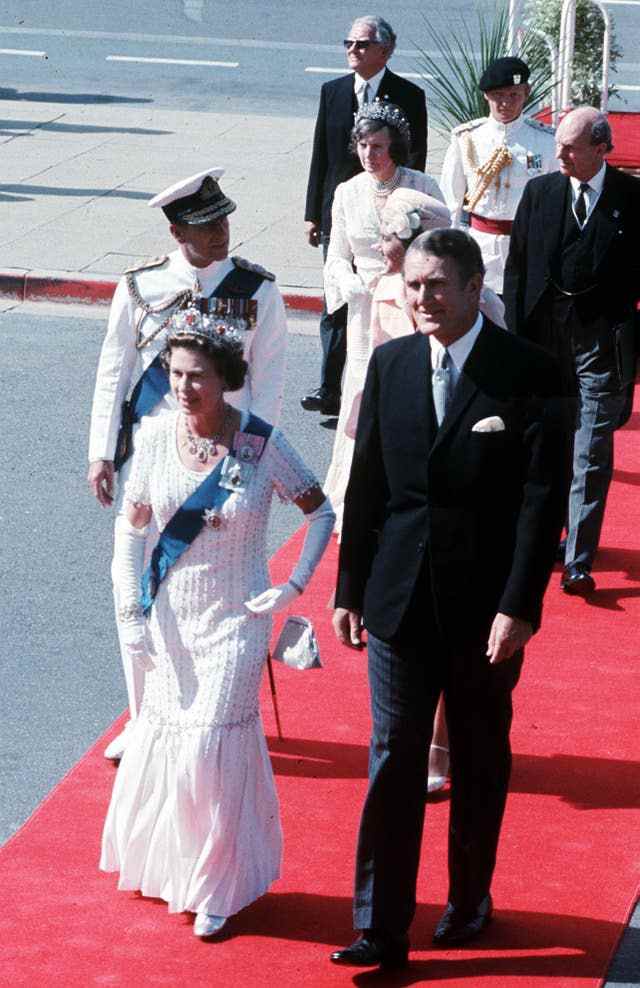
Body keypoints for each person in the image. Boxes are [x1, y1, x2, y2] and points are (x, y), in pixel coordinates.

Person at [330, 229, 567, 969]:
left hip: (484, 612)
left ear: (473, 288)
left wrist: (519, 604)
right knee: (394, 758)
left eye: (437, 285)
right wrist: (349, 588)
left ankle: (468, 902)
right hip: (398, 600)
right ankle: (380, 926)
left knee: (476, 757)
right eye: (412, 285)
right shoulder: (391, 363)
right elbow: (366, 483)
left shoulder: (528, 373)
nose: (422, 299)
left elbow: (541, 499)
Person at [100, 306, 334, 937]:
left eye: (197, 375)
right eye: (175, 374)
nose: (183, 388)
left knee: (210, 745)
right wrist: (129, 612)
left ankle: (220, 885)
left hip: (237, 618)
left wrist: (293, 585)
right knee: (167, 733)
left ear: (225, 376)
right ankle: (177, 869)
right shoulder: (154, 437)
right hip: (171, 613)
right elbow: (133, 529)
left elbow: (321, 512)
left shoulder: (262, 444)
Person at [87, 168, 288, 760]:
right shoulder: (140, 286)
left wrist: (256, 458)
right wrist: (101, 452)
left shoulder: (259, 293)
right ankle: (145, 714)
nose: (222, 231)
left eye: (224, 219)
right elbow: (113, 373)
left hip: (226, 463)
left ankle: (208, 706)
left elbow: (270, 384)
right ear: (178, 232)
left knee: (218, 591)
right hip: (154, 459)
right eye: (207, 225)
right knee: (139, 583)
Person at [504, 107, 640, 595]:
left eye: (570, 147)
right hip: (544, 340)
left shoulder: (632, 198)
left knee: (591, 448)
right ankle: (543, 538)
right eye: (558, 144)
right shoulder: (540, 194)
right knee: (544, 443)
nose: (558, 154)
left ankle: (579, 557)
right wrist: (515, 344)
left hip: (600, 343)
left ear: (601, 149)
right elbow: (517, 271)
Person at [322, 101, 443, 531]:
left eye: (377, 146)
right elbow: (335, 256)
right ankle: (356, 498)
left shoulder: (421, 184)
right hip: (363, 308)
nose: (369, 154)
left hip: (412, 305)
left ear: (396, 147)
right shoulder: (346, 192)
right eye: (362, 145)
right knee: (361, 392)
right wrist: (352, 284)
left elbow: (445, 243)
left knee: (413, 391)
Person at [302, 14, 427, 417]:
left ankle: (387, 381)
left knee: (389, 298)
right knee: (337, 299)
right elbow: (320, 154)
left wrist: (407, 212)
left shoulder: (407, 95)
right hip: (342, 211)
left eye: (361, 45)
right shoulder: (333, 91)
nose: (352, 51)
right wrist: (312, 214)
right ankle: (330, 387)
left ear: (385, 50)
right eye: (348, 44)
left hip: (391, 213)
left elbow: (417, 158)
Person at [440, 56, 557, 295]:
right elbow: (450, 201)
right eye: (498, 96)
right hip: (479, 245)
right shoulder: (467, 138)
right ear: (486, 95)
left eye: (514, 95)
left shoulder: (545, 142)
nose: (505, 103)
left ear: (526, 92)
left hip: (526, 247)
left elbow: (555, 204)